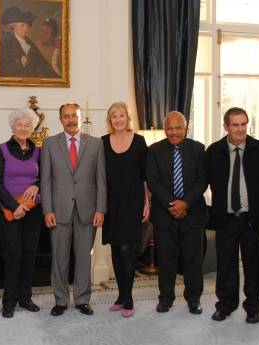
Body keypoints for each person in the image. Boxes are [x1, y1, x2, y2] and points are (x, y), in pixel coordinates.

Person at [41, 102, 106, 316]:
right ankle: (60, 300)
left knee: (84, 258)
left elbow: (101, 180)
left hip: (88, 210)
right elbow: (46, 180)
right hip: (58, 210)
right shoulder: (49, 144)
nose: (71, 120)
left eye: (74, 115)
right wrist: (47, 210)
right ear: (60, 119)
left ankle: (82, 299)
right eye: (66, 116)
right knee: (59, 258)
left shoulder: (96, 144)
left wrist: (100, 209)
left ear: (80, 117)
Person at [205, 107, 259, 323]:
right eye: (235, 125)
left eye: (243, 124)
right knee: (226, 265)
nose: (240, 129)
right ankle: (225, 305)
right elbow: (201, 182)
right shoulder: (213, 152)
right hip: (225, 219)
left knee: (253, 265)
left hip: (252, 219)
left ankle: (252, 307)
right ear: (226, 127)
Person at [146, 111, 208, 315]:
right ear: (165, 129)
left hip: (193, 214)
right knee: (166, 260)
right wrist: (173, 205)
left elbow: (202, 180)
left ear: (186, 128)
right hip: (165, 215)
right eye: (170, 128)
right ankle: (166, 298)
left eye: (178, 128)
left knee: (193, 260)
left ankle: (194, 299)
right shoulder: (154, 150)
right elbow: (153, 181)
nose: (174, 132)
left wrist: (185, 204)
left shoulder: (198, 149)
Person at [0, 108, 44, 318]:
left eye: (27, 125)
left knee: (30, 254)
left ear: (32, 128)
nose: (23, 129)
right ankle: (9, 301)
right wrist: (15, 206)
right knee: (13, 255)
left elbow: (46, 175)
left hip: (33, 209)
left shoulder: (39, 151)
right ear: (12, 127)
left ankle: (25, 297)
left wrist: (37, 185)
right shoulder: (1, 150)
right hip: (10, 210)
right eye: (19, 125)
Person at [101, 102, 150, 318]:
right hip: (111, 202)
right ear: (110, 120)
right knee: (114, 249)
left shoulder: (139, 141)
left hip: (133, 201)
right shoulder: (102, 142)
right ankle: (120, 296)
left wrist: (147, 202)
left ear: (127, 118)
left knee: (126, 249)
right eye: (114, 116)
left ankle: (128, 297)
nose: (118, 119)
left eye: (121, 115)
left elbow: (146, 176)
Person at [0, 6, 59, 78]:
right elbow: (2, 70)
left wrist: (59, 80)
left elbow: (45, 66)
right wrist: (20, 63)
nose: (26, 30)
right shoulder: (5, 43)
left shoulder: (29, 43)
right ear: (13, 26)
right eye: (22, 25)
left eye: (27, 26)